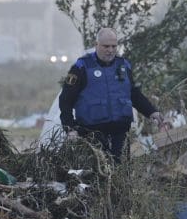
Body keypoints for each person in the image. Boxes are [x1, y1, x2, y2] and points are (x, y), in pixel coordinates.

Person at [59, 27, 168, 161]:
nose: (110, 50)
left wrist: (151, 112)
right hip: (92, 134)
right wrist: (70, 128)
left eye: (113, 46)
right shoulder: (81, 67)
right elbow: (65, 100)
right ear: (96, 45)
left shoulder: (123, 65)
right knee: (97, 173)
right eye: (106, 46)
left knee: (120, 172)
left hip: (120, 132)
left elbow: (133, 94)